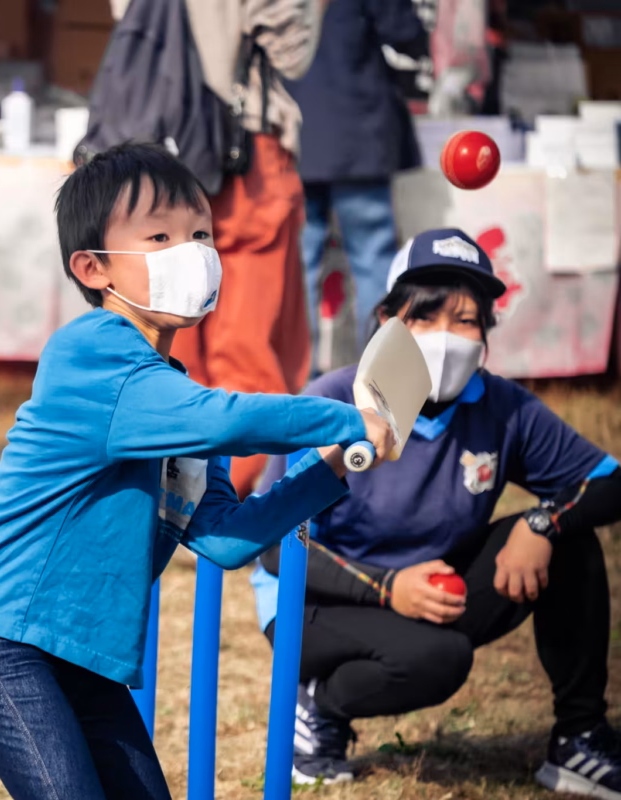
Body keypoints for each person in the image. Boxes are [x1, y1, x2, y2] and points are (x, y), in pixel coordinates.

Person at [0, 143, 395, 800]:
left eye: (202, 235)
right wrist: (346, 418)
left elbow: (226, 539)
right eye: (161, 236)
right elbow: (225, 419)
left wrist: (332, 470)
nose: (194, 253)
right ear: (93, 268)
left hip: (82, 656)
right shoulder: (91, 353)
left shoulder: (175, 408)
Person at [251, 228, 621, 796]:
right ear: (387, 320)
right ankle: (319, 708)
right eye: (425, 317)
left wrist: (541, 521)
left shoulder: (502, 407)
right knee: (438, 659)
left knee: (570, 537)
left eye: (466, 321)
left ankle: (579, 740)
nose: (446, 338)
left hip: (432, 585)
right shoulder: (333, 399)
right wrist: (386, 587)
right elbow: (275, 545)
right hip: (317, 601)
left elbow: (608, 484)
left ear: (486, 336)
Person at [171, 0, 328, 498]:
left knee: (177, 338)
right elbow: (292, 52)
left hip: (165, 143)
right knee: (247, 345)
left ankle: (177, 491)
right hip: (244, 152)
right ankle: (220, 497)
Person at [285, 0, 429, 363]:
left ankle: (301, 385)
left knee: (297, 266)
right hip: (357, 127)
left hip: (292, 129)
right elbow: (405, 33)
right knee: (373, 259)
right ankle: (381, 385)